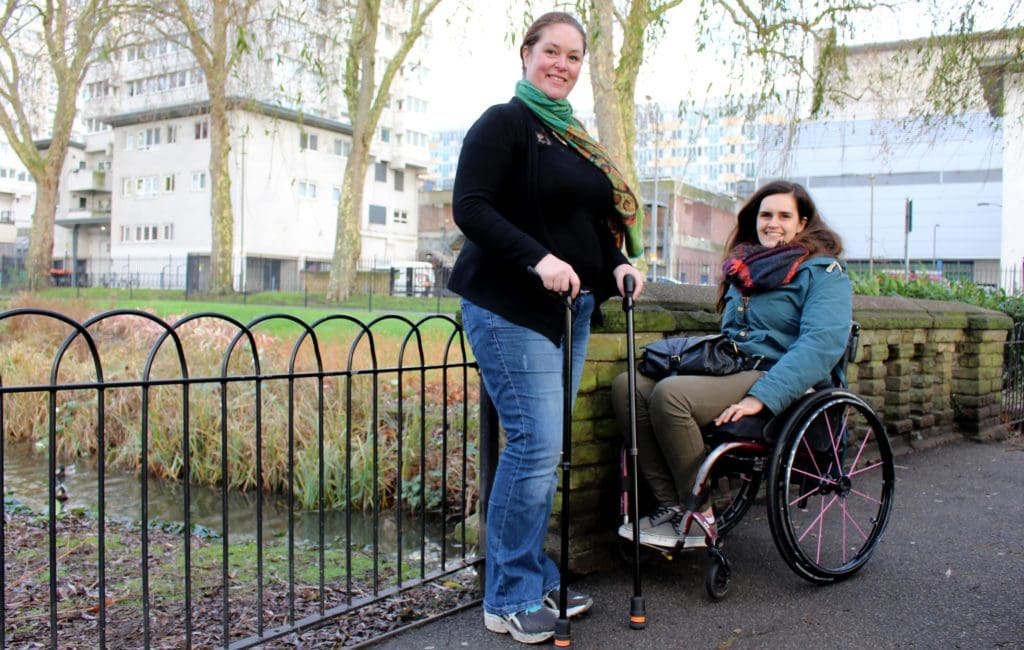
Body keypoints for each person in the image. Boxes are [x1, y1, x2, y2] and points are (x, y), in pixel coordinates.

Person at [447, 10, 646, 645]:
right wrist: (537, 258)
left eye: (573, 56)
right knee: (535, 445)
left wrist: (616, 265)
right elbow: (470, 207)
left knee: (546, 449)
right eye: (550, 51)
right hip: (511, 306)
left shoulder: (573, 138)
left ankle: (531, 574)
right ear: (526, 54)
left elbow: (586, 229)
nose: (562, 64)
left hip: (573, 307)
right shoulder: (504, 123)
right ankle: (506, 597)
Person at [612, 180, 852, 549]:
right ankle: (674, 504)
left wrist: (762, 397)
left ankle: (699, 513)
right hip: (735, 366)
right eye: (766, 214)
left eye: (784, 215)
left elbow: (822, 345)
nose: (773, 222)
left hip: (781, 376)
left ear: (802, 223)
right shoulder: (747, 267)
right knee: (630, 386)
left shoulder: (822, 273)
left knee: (672, 395)